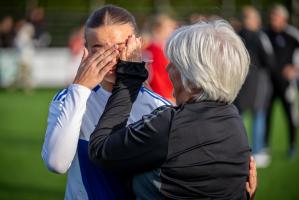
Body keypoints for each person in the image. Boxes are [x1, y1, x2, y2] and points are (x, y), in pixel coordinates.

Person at [89, 20, 255, 199]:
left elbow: (100, 150)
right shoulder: (234, 121)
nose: (168, 68)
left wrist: (127, 79)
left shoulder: (171, 125)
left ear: (194, 77)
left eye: (175, 63)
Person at [41, 5, 171, 199]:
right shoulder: (69, 100)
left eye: (120, 46)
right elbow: (56, 163)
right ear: (86, 50)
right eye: (99, 48)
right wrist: (80, 89)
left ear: (137, 45)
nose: (110, 57)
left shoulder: (159, 108)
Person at [236, 6, 274, 168]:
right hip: (256, 82)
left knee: (241, 117)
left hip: (238, 81)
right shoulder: (260, 36)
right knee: (258, 115)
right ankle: (257, 152)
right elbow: (269, 59)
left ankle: (241, 152)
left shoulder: (236, 36)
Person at [265, 4, 299, 158]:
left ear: (283, 18)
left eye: (275, 17)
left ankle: (292, 145)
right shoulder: (265, 34)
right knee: (267, 114)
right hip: (269, 83)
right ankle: (265, 146)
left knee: (290, 115)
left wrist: (295, 68)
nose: (272, 20)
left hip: (286, 85)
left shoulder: (292, 34)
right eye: (271, 17)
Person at [144, 14, 177, 103]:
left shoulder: (160, 49)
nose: (173, 30)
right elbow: (158, 79)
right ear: (158, 29)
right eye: (169, 27)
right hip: (162, 98)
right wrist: (169, 97)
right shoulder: (154, 51)